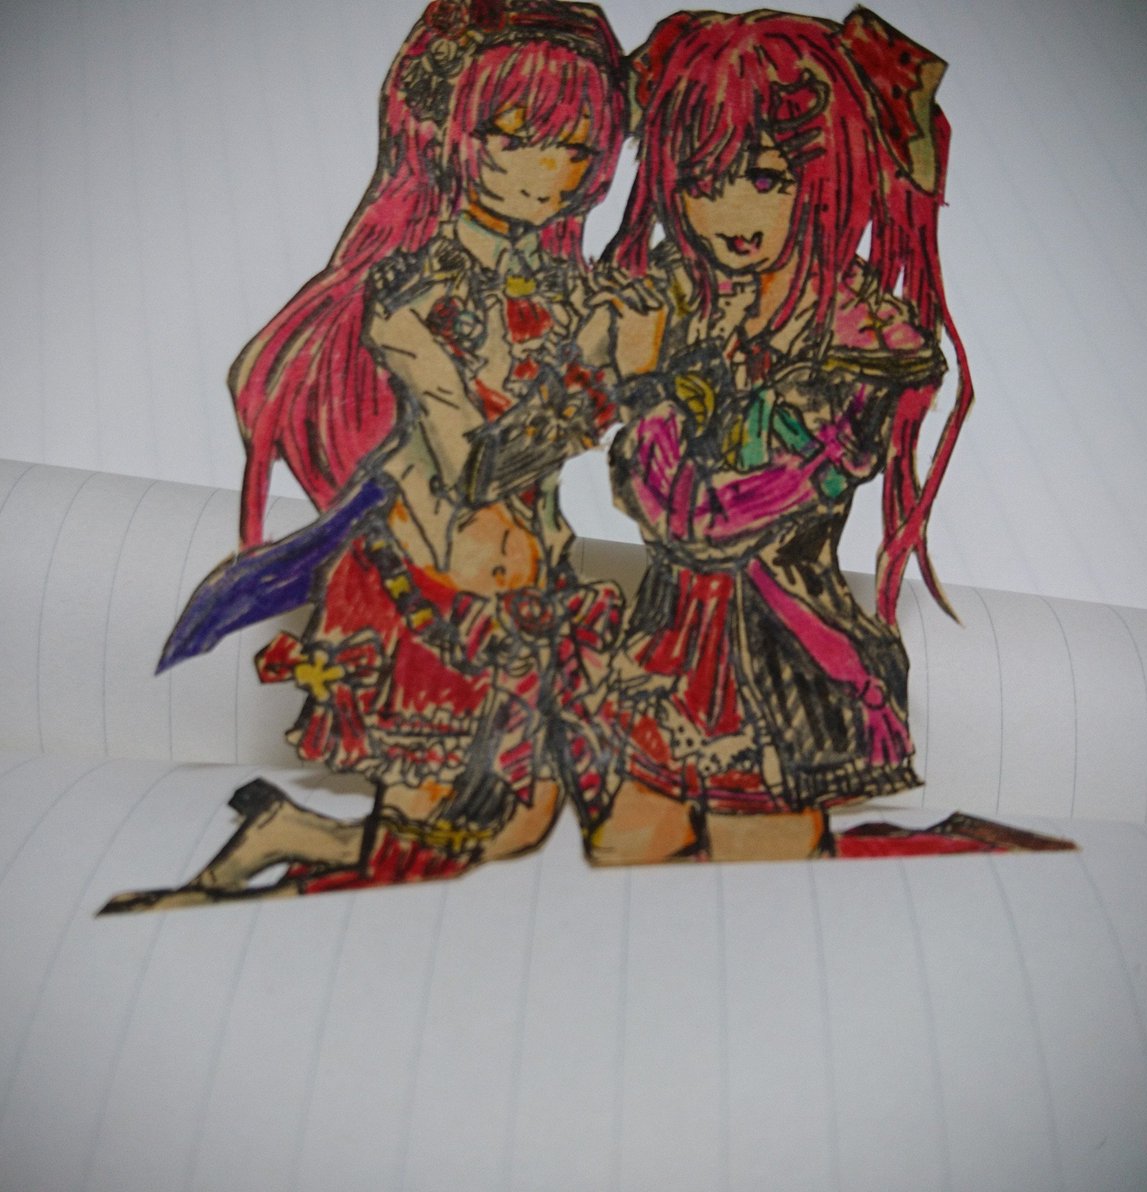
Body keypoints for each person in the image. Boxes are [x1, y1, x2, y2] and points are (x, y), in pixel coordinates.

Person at [102, 0, 628, 911]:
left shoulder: (572, 287)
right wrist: (598, 390)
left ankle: (288, 834)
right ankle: (250, 890)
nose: (551, 170)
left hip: (536, 592)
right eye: (518, 139)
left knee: (515, 832)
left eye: (576, 148)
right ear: (456, 137)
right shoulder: (411, 294)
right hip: (426, 593)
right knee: (429, 860)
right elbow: (474, 465)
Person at [587, 8, 979, 864]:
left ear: (833, 171)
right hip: (660, 662)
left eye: (768, 178)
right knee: (618, 864)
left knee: (766, 889)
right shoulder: (672, 293)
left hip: (791, 670)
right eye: (703, 181)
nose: (731, 211)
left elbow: (710, 523)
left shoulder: (863, 344)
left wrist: (648, 388)